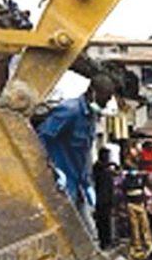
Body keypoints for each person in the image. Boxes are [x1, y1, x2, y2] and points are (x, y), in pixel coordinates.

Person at [35, 74, 117, 241]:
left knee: (89, 237)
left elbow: (84, 152)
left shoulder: (92, 117)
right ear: (93, 92)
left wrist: (87, 184)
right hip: (60, 184)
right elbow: (40, 138)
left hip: (78, 185)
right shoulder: (69, 111)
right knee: (64, 237)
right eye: (105, 98)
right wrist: (51, 169)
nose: (106, 103)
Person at [121, 152, 150, 258]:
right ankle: (137, 245)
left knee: (145, 224)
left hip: (140, 203)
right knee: (134, 226)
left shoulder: (140, 178)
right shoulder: (126, 180)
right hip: (131, 204)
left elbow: (143, 189)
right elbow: (124, 192)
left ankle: (148, 243)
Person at [90, 148, 116, 250]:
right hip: (100, 199)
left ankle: (108, 241)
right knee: (102, 222)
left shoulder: (106, 168)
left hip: (107, 199)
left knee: (107, 221)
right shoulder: (98, 168)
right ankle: (104, 242)